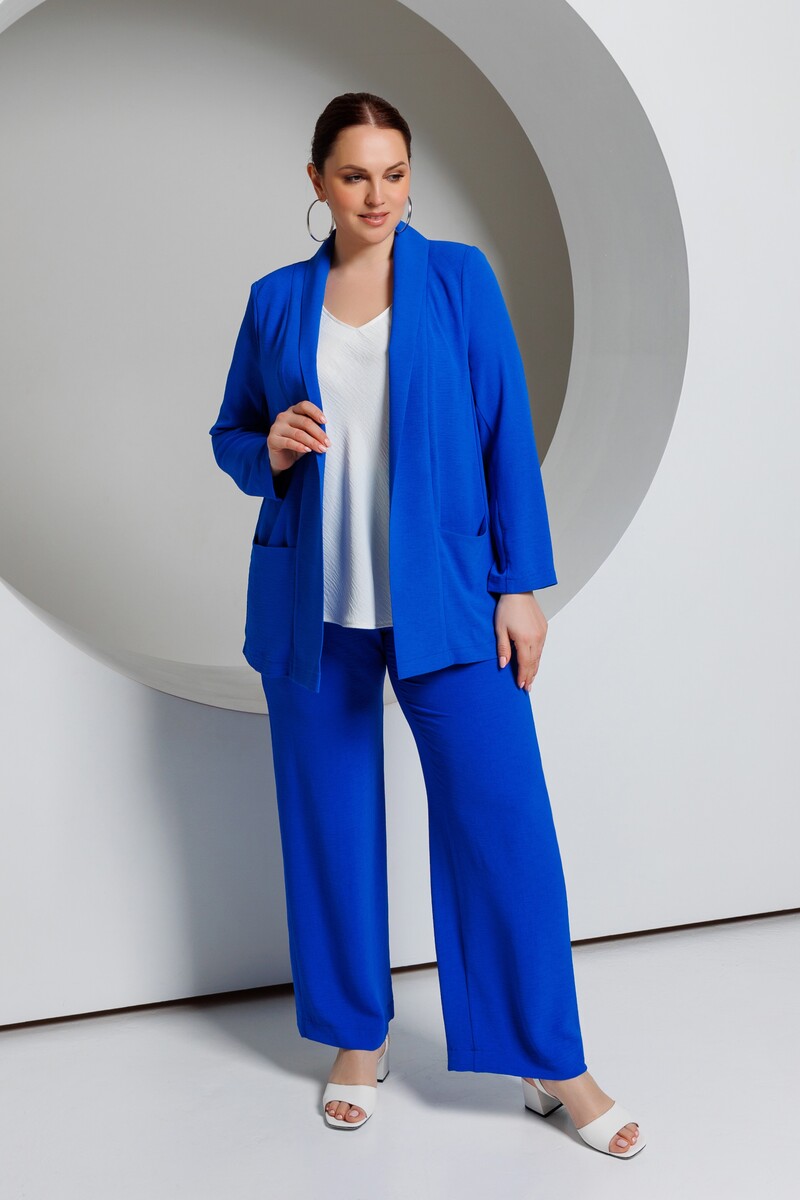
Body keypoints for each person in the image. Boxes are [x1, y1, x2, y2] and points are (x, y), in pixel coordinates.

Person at [209, 92, 644, 1157]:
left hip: (448, 604)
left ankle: (550, 1062)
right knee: (329, 829)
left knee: (504, 828)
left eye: (395, 174)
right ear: (317, 181)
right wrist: (268, 448)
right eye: (355, 175)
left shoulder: (458, 281)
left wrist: (519, 585)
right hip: (313, 611)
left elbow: (505, 432)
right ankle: (356, 1039)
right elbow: (232, 434)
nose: (379, 196)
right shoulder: (276, 300)